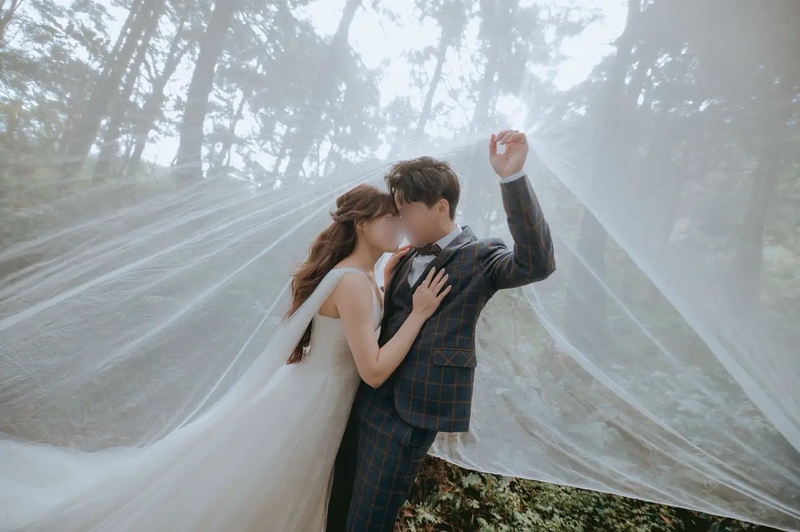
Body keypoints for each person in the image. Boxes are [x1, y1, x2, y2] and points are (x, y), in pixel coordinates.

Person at [0, 184, 450, 531]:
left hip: (315, 399)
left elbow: (360, 329)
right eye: (390, 218)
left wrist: (386, 282)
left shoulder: (362, 277)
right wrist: (419, 314)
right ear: (361, 224)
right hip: (309, 407)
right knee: (252, 495)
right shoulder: (351, 282)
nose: (399, 226)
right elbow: (373, 371)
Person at [326, 129, 556, 531]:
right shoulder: (402, 258)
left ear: (441, 207)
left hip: (411, 418)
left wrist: (512, 178)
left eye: (407, 211)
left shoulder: (480, 256)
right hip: (364, 400)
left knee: (367, 522)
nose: (400, 221)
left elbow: (537, 263)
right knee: (335, 507)